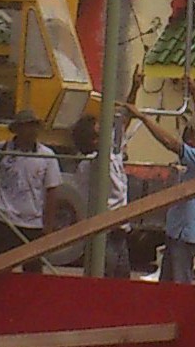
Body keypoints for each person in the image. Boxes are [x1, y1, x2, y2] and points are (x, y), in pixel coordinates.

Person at [125, 81, 195, 283]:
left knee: (179, 283)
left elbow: (171, 143)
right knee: (168, 283)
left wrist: (143, 118)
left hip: (185, 233)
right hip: (180, 231)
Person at [72, 66, 141, 278]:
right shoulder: (92, 163)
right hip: (105, 232)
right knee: (103, 278)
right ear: (93, 140)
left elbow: (123, 122)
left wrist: (135, 88)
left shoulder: (109, 154)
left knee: (120, 279)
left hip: (119, 230)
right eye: (100, 130)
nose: (106, 131)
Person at [0, 108, 62, 271]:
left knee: (33, 273)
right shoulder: (2, 150)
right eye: (27, 126)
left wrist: (48, 225)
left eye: (34, 126)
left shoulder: (47, 155)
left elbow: (52, 192)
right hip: (4, 220)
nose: (32, 131)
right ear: (18, 129)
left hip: (33, 224)